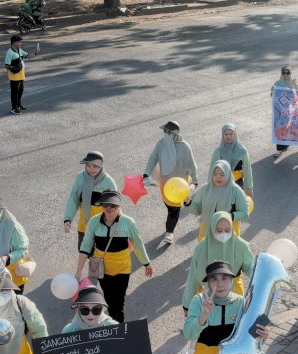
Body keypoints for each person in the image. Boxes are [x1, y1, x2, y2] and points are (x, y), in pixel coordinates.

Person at [76, 190, 153, 323]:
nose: (108, 209)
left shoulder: (128, 223)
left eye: (113, 206)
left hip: (121, 270)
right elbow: (86, 246)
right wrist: (78, 271)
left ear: (119, 206)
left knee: (118, 304)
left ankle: (118, 329)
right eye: (105, 205)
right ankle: (114, 326)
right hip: (101, 270)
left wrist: (146, 263)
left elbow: (138, 245)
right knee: (109, 301)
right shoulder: (94, 221)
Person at [182, 211, 253, 311]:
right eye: (219, 231)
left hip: (234, 297)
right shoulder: (201, 248)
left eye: (227, 230)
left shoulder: (241, 246)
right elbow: (193, 277)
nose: (223, 234)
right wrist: (188, 305)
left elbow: (250, 268)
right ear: (212, 229)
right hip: (209, 299)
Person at [143, 121, 198, 244]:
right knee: (169, 207)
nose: (166, 134)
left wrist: (195, 180)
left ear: (176, 134)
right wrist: (145, 174)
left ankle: (169, 232)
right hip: (165, 184)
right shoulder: (161, 144)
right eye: (165, 131)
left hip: (180, 185)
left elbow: (192, 165)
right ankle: (172, 222)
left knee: (174, 209)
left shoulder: (184, 147)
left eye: (169, 132)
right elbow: (153, 158)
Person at [64, 152, 117, 249]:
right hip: (84, 226)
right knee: (84, 253)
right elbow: (74, 199)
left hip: (102, 227)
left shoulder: (108, 182)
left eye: (95, 166)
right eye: (88, 165)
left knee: (98, 258)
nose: (91, 169)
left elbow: (115, 206)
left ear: (101, 166)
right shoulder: (80, 177)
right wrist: (68, 219)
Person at [185, 160, 249, 241]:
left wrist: (230, 216)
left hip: (228, 235)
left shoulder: (236, 191)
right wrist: (188, 203)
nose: (218, 177)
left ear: (228, 174)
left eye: (222, 174)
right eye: (215, 174)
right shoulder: (205, 189)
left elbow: (245, 213)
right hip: (207, 232)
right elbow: (197, 210)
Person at [210, 123, 253, 198]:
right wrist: (210, 188)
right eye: (226, 134)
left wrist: (249, 188)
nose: (228, 137)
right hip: (221, 186)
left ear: (235, 135)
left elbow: (247, 171)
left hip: (238, 186)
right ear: (223, 135)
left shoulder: (242, 151)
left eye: (231, 134)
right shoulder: (218, 151)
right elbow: (211, 171)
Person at [4, 35, 39, 115]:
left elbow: (28, 56)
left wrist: (35, 53)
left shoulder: (19, 50)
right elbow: (6, 65)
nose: (20, 43)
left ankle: (18, 105)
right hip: (14, 76)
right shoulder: (9, 52)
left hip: (21, 75)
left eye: (20, 42)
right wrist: (13, 69)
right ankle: (14, 108)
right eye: (19, 42)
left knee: (21, 90)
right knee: (14, 92)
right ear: (14, 43)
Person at [272, 65, 297, 158]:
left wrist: (292, 87)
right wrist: (272, 91)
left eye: (288, 72)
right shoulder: (277, 83)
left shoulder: (293, 83)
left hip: (289, 111)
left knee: (286, 129)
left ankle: (285, 145)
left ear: (290, 73)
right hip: (278, 111)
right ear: (281, 73)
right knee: (278, 128)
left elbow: (296, 97)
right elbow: (272, 96)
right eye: (284, 72)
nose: (286, 74)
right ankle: (279, 150)